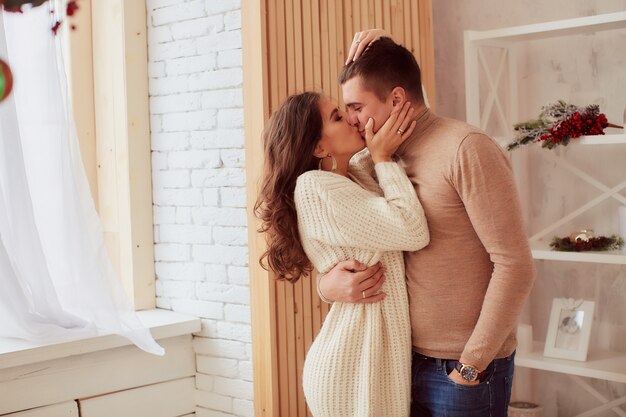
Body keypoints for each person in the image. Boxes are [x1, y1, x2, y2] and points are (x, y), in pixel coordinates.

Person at [317, 31, 536, 416]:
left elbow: (515, 264)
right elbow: (346, 244)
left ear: (398, 99)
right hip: (397, 361)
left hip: (463, 369)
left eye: (355, 107)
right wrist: (326, 285)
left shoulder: (465, 148)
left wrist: (471, 366)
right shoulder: (370, 162)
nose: (351, 120)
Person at [255, 92, 430, 417]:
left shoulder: (354, 174)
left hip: (372, 358)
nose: (351, 118)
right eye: (337, 117)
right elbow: (412, 230)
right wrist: (382, 159)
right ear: (320, 148)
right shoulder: (314, 187)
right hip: (351, 367)